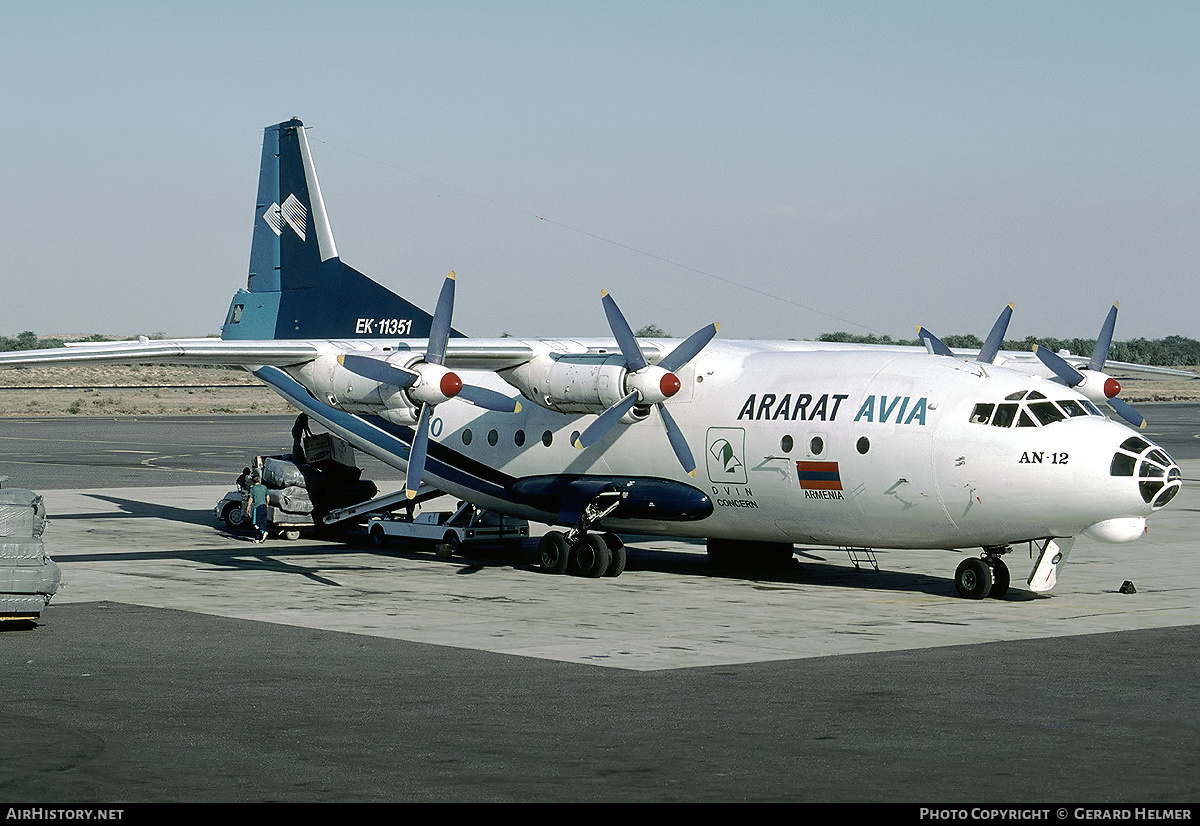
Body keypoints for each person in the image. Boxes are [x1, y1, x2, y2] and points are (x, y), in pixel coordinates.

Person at [246, 473, 269, 543]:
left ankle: (263, 532)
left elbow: (251, 499)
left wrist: (248, 507)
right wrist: (267, 504)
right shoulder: (264, 487)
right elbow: (267, 497)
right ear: (259, 479)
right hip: (264, 506)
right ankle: (257, 538)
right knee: (262, 522)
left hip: (257, 506)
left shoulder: (253, 489)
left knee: (255, 523)